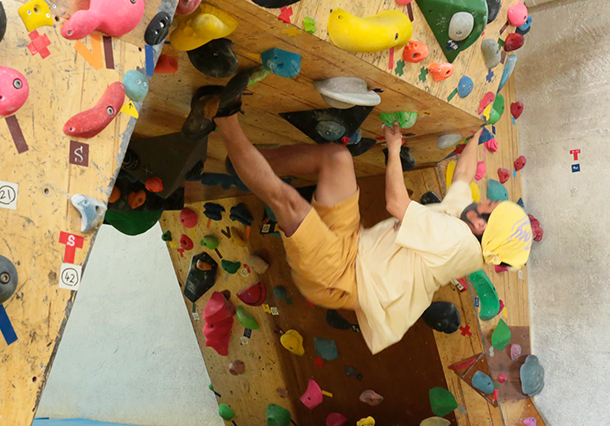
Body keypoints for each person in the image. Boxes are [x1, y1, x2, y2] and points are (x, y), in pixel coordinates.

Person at [205, 71, 532, 354]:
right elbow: (463, 177)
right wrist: (477, 130)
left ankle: (222, 114)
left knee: (289, 202)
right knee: (336, 159)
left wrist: (394, 150)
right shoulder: (467, 223)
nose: (485, 201)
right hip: (354, 244)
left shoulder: (456, 240)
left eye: (490, 207)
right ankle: (245, 161)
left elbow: (396, 204)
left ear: (480, 225)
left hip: (339, 277)